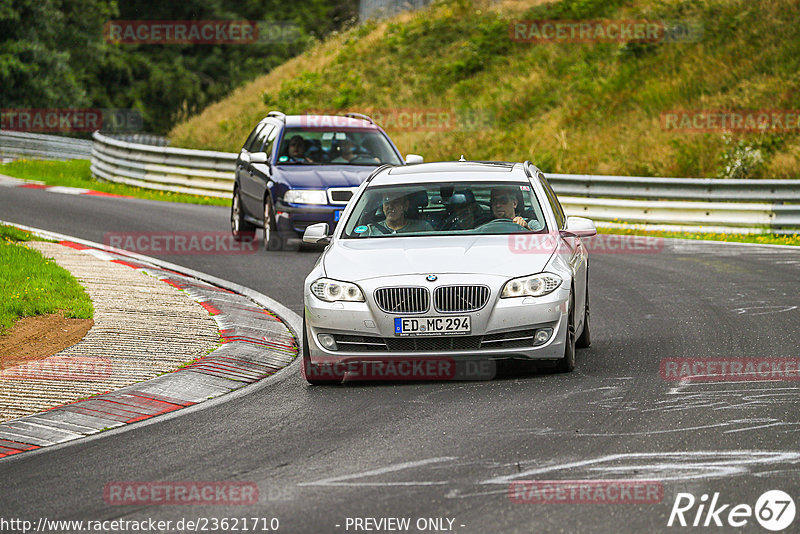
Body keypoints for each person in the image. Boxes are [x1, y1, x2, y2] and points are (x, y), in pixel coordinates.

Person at [361, 191, 433, 236]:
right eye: (387, 202)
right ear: (383, 207)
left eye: (396, 202)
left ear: (405, 206)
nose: (390, 206)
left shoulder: (424, 228)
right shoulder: (370, 231)